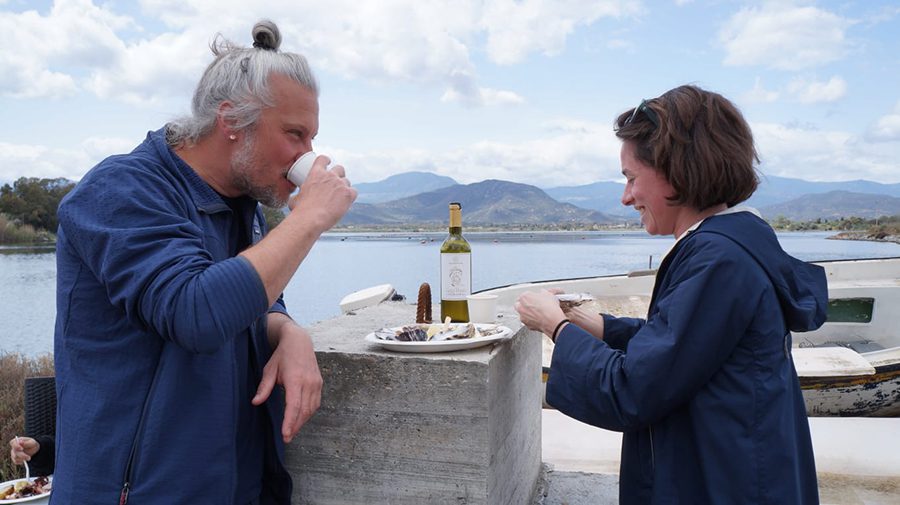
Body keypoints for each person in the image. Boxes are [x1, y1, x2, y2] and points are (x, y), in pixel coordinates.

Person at [52, 20, 356, 504]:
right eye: (295, 135)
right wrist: (309, 218)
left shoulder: (243, 205)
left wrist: (287, 331)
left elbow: (253, 301)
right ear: (231, 121)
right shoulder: (119, 192)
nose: (309, 156)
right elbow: (194, 312)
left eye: (312, 139)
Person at [515, 85, 826, 504]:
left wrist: (556, 326)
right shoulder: (735, 242)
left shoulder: (719, 261)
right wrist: (598, 326)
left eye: (631, 178)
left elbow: (632, 391)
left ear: (676, 170)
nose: (625, 197)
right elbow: (682, 346)